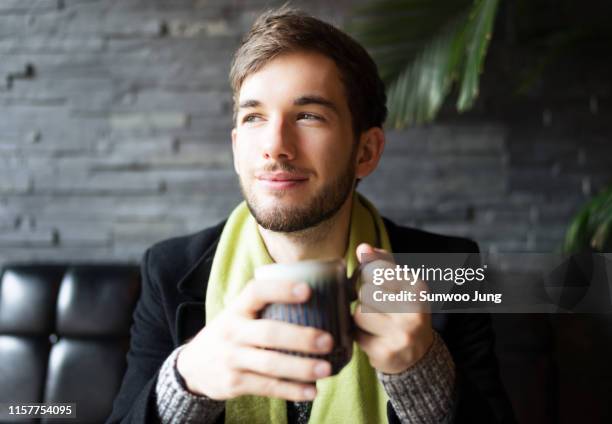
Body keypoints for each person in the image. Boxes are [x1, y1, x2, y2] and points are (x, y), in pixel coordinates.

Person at [107, 7, 515, 424]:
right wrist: (186, 382)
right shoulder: (167, 270)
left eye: (308, 116)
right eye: (254, 118)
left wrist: (422, 374)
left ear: (366, 152)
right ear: (235, 148)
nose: (275, 146)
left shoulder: (450, 270)